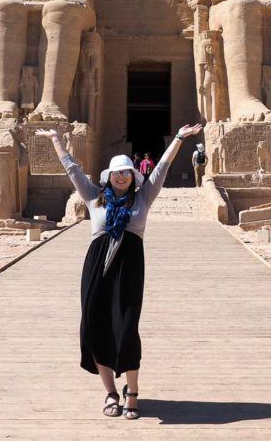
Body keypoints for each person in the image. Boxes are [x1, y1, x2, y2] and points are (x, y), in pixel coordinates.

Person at [38, 123, 203, 420]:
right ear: (109, 177)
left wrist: (179, 137)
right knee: (94, 326)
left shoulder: (143, 197)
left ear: (133, 175)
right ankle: (111, 392)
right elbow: (72, 169)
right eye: (117, 172)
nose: (122, 176)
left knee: (126, 329)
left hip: (129, 267)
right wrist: (55, 140)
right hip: (97, 267)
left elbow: (163, 167)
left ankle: (133, 392)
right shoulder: (93, 196)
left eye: (127, 172)